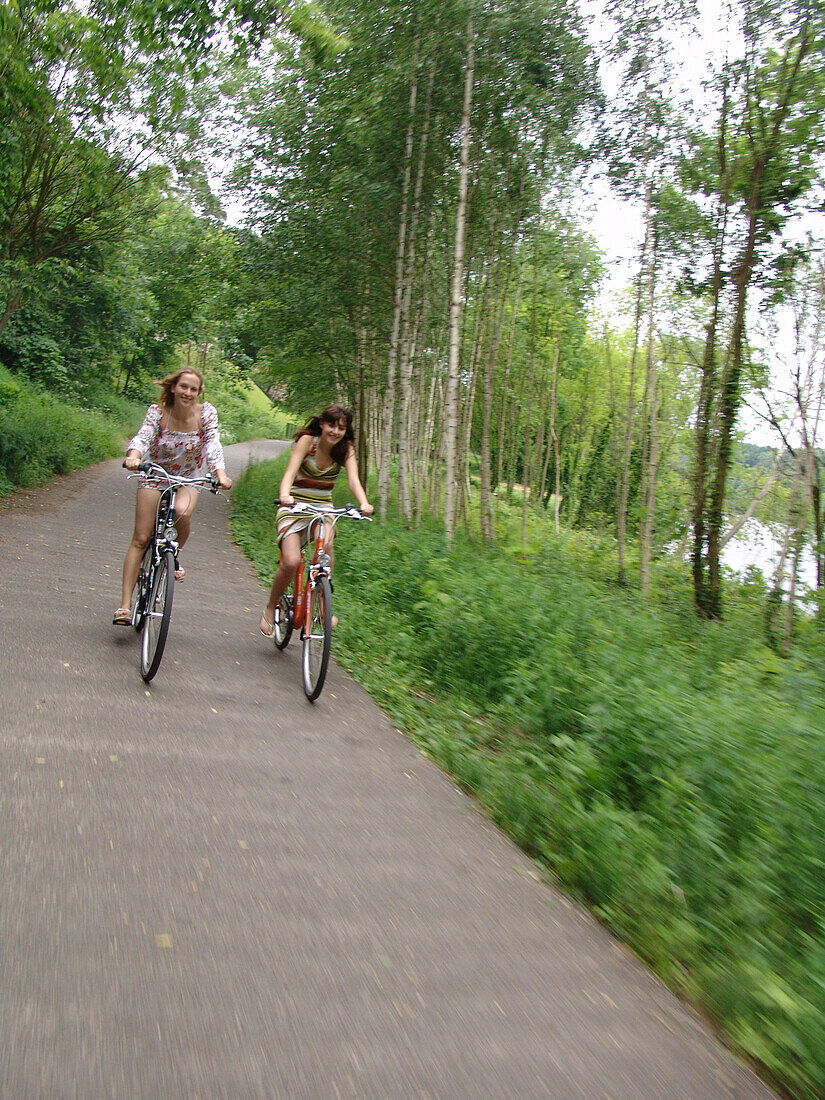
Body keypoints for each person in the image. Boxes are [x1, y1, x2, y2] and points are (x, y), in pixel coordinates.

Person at [113, 367, 232, 625]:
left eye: (193, 388)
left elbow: (213, 444)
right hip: (155, 472)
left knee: (182, 512)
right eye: (183, 387)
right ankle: (124, 605)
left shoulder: (207, 414)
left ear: (199, 392)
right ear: (173, 388)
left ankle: (173, 554)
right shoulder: (158, 412)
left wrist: (220, 474)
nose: (187, 392)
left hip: (190, 476)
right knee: (141, 538)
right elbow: (143, 436)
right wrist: (134, 457)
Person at [260, 404, 373, 638]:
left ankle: (321, 603)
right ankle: (271, 608)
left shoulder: (346, 449)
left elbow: (353, 480)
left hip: (322, 506)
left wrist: (364, 503)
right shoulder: (308, 442)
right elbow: (290, 473)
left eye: (341, 428)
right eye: (331, 425)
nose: (335, 431)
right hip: (294, 504)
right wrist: (284, 495)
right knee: (290, 561)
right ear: (322, 424)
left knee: (326, 549)